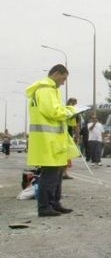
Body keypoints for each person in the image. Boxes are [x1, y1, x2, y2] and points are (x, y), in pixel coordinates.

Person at [25, 64, 79, 216]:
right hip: (47, 140)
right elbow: (52, 112)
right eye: (63, 78)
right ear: (56, 74)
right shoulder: (45, 90)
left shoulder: (50, 90)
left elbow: (57, 115)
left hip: (54, 141)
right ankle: (44, 207)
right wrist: (72, 110)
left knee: (57, 175)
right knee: (49, 176)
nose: (64, 82)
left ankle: (54, 203)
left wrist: (70, 116)